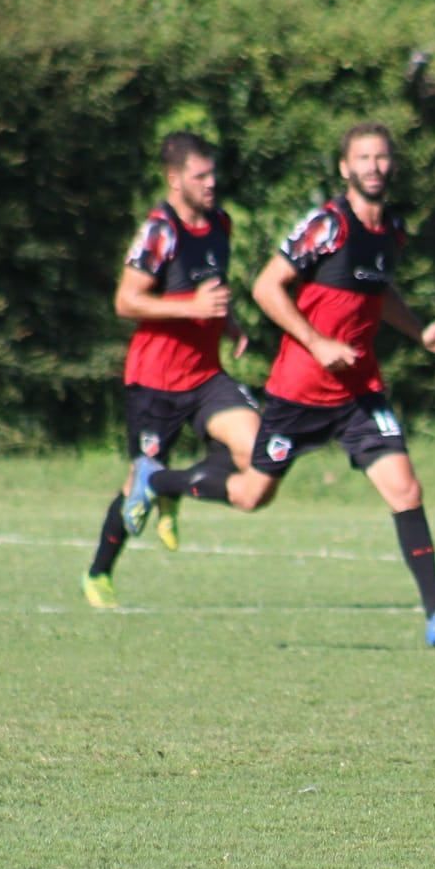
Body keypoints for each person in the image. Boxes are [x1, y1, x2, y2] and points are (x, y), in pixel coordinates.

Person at [248, 122, 435, 648]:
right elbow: (265, 287)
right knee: (252, 495)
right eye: (363, 158)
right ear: (344, 168)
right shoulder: (326, 225)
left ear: (391, 165)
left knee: (406, 488)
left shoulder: (390, 231)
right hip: (299, 390)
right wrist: (317, 343)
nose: (374, 166)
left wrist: (420, 333)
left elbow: (381, 295)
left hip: (358, 393)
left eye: (381, 157)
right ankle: (163, 483)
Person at [82, 131, 277, 610]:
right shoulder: (160, 231)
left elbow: (207, 292)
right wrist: (190, 306)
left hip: (206, 377)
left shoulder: (220, 225)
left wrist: (227, 324)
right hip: (154, 383)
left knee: (257, 451)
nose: (211, 183)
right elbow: (126, 301)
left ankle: (170, 486)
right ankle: (99, 575)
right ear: (174, 179)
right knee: (134, 489)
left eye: (213, 174)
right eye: (200, 176)